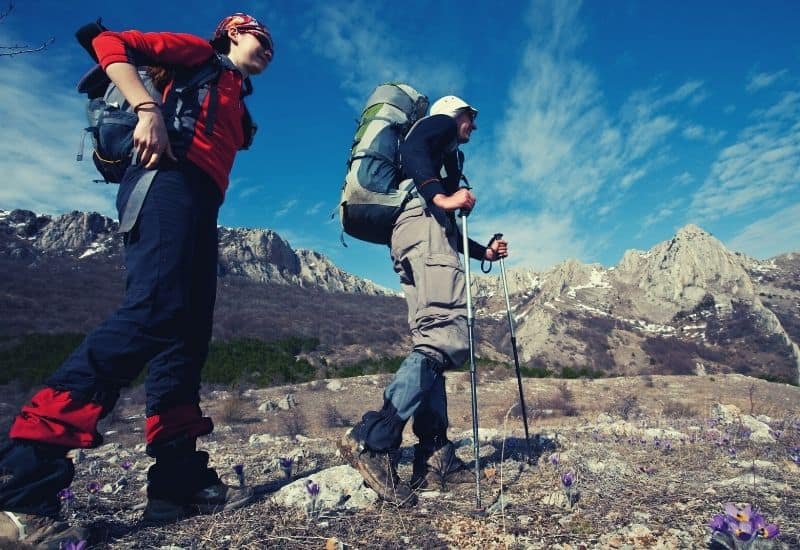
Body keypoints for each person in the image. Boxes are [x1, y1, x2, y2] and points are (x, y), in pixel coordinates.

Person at [0, 13, 273, 547]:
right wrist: (148, 108)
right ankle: (23, 480)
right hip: (163, 182)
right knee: (152, 311)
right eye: (261, 38)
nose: (269, 49)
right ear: (233, 34)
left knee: (185, 335)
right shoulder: (196, 52)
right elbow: (110, 41)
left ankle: (175, 485)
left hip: (200, 201)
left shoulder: (235, 94)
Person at [339, 96, 509, 506]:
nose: (473, 126)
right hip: (423, 228)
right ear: (457, 113)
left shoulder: (441, 159)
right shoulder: (439, 127)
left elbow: (445, 225)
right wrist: (442, 197)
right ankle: (374, 440)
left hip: (412, 234)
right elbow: (419, 160)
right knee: (444, 339)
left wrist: (482, 252)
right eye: (472, 116)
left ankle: (434, 457)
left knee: (431, 344)